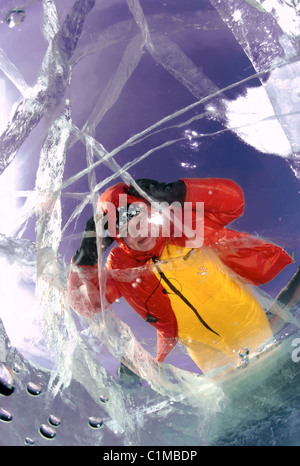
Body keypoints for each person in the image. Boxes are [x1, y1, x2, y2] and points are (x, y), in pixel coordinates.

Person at [68, 178, 293, 373]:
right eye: (127, 231)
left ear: (151, 213)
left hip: (248, 324)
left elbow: (234, 202)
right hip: (207, 353)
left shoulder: (182, 225)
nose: (139, 233)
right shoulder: (122, 268)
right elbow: (85, 304)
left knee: (280, 379)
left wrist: (177, 192)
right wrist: (85, 257)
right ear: (119, 239)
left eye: (141, 221)